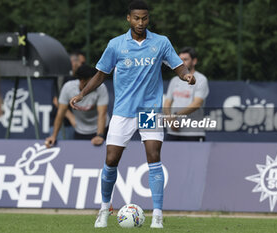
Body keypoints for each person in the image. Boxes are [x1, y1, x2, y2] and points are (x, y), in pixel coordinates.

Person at [69, 0, 195, 229]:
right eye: (136, 18)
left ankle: (157, 214)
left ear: (148, 18)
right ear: (129, 18)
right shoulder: (116, 45)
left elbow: (178, 66)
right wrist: (83, 94)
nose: (140, 22)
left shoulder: (161, 42)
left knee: (154, 157)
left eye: (144, 18)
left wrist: (186, 76)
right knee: (110, 160)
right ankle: (104, 209)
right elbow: (100, 74)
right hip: (124, 111)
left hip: (149, 110)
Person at [45, 64, 109, 147]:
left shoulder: (101, 88)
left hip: (102, 129)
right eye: (92, 81)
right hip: (81, 131)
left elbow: (102, 114)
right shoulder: (68, 88)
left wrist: (100, 135)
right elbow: (60, 113)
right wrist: (53, 136)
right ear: (82, 81)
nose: (95, 84)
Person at [164, 47, 209, 141]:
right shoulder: (174, 80)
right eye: (179, 60)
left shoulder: (201, 79)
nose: (182, 62)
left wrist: (175, 116)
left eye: (185, 59)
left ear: (194, 61)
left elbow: (196, 104)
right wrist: (170, 119)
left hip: (193, 132)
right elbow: (167, 103)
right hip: (173, 132)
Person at [49, 51, 87, 139]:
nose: (82, 66)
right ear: (73, 62)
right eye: (81, 63)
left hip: (77, 125)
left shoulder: (78, 78)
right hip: (62, 125)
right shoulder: (62, 77)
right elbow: (56, 101)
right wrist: (71, 118)